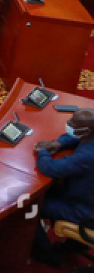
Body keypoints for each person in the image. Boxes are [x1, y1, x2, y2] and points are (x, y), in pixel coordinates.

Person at [33, 109, 94, 262]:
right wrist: (58, 143)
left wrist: (43, 152)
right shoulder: (89, 136)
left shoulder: (88, 156)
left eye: (73, 123)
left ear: (86, 131)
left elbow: (50, 168)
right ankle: (76, 246)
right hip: (85, 197)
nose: (68, 124)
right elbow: (74, 138)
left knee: (28, 207)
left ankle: (45, 255)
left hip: (83, 212)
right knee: (49, 189)